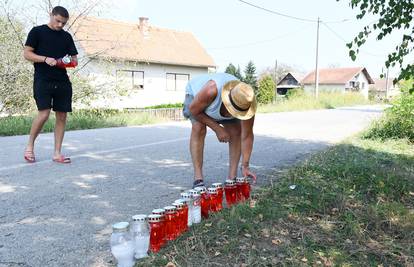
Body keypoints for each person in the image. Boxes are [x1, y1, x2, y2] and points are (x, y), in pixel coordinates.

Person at [23, 6, 78, 164]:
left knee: (62, 116)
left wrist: (62, 62)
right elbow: (27, 54)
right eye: (58, 21)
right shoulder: (37, 31)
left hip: (62, 80)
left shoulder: (66, 37)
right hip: (43, 79)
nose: (60, 25)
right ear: (51, 15)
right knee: (44, 114)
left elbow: (75, 61)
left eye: (63, 23)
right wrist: (45, 59)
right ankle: (29, 147)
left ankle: (57, 153)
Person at [183, 73, 257, 188]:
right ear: (227, 100)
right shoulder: (211, 90)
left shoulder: (246, 101)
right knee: (198, 128)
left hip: (218, 103)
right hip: (196, 99)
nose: (234, 115)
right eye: (233, 111)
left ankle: (232, 178)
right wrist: (217, 129)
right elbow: (194, 111)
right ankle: (198, 178)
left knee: (235, 132)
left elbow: (247, 135)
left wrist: (245, 165)